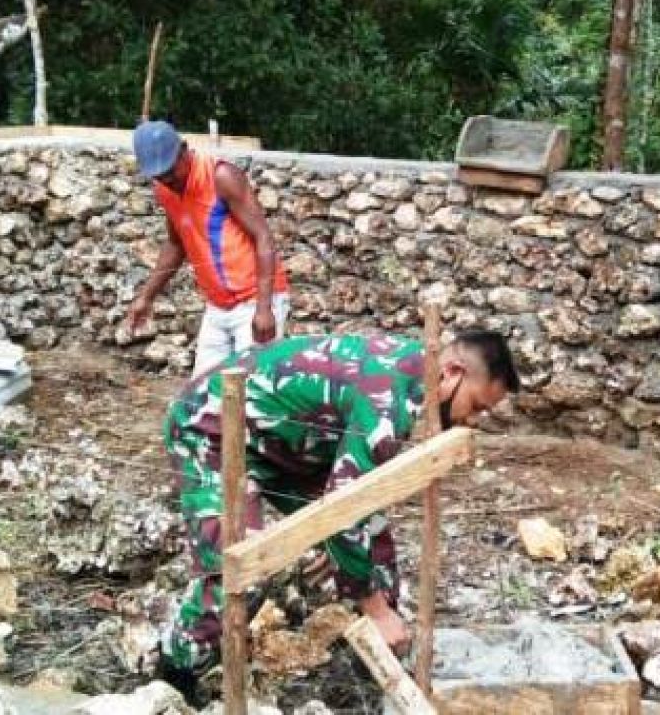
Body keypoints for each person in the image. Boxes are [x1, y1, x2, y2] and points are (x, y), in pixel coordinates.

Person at [157, 330, 520, 701]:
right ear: (452, 373)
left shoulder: (413, 372)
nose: (473, 420)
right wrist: (373, 607)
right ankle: (172, 678)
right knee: (243, 571)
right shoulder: (385, 402)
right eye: (476, 406)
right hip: (211, 429)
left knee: (373, 544)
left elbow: (359, 505)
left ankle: (376, 671)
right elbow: (343, 511)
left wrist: (357, 572)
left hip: (288, 444)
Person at [124, 120, 290, 376]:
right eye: (159, 176)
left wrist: (264, 308)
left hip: (254, 299)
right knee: (203, 392)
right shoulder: (165, 189)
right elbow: (175, 243)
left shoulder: (221, 177)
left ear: (184, 150)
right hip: (218, 305)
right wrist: (146, 297)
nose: (167, 180)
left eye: (170, 172)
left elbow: (263, 238)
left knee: (254, 392)